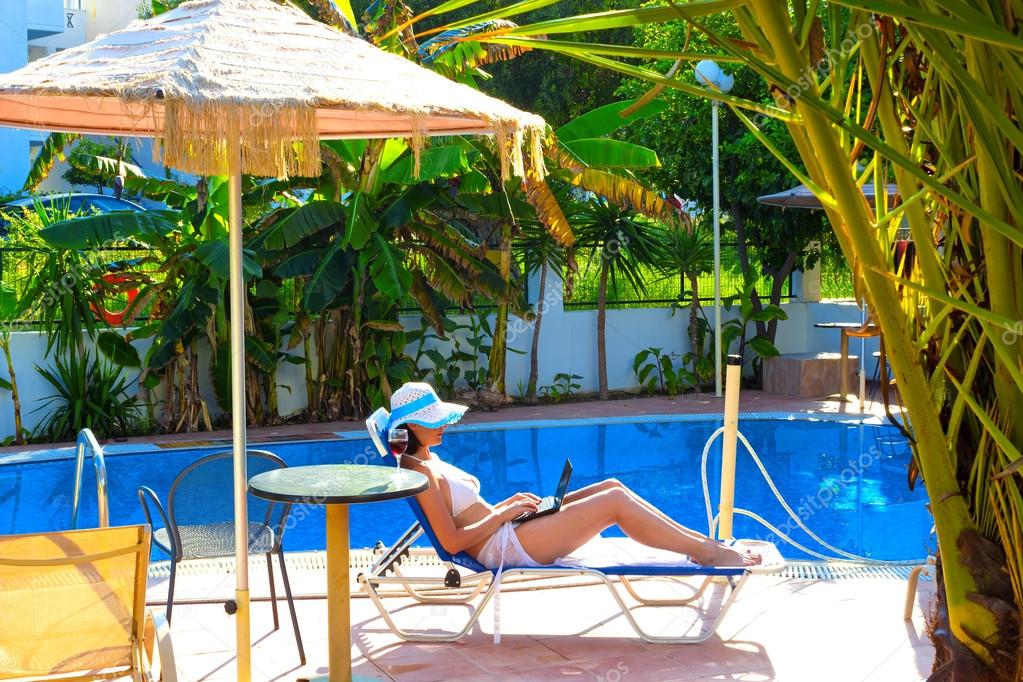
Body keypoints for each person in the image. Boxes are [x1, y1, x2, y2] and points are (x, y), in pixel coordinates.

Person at [385, 382, 761, 570]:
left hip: (507, 529)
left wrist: (509, 506)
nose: (444, 426)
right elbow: (451, 542)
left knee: (612, 485)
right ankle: (708, 553)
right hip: (500, 548)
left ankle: (701, 543)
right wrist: (502, 515)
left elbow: (468, 512)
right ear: (409, 426)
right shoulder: (418, 473)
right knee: (613, 504)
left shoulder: (430, 457)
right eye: (432, 421)